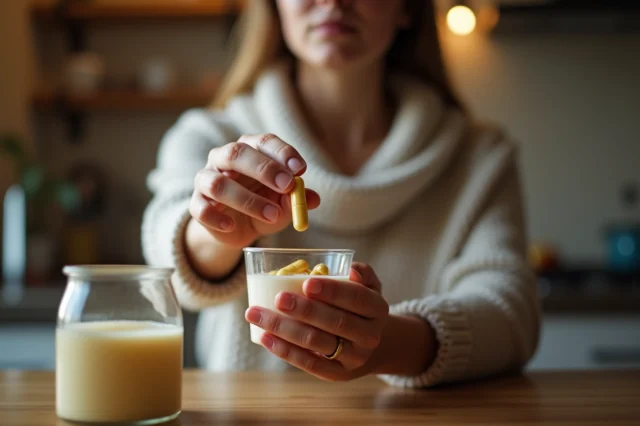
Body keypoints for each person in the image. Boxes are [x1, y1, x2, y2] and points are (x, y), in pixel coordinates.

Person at [142, 0, 539, 387]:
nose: (333, 3)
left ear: (406, 9)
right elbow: (166, 270)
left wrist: (385, 345)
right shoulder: (209, 137)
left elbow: (511, 317)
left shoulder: (480, 157)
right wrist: (218, 230)